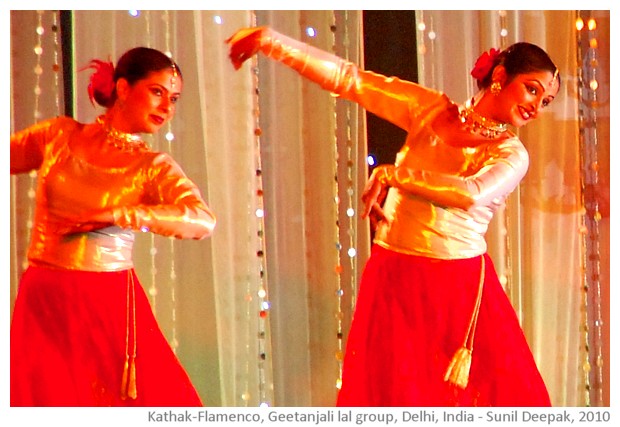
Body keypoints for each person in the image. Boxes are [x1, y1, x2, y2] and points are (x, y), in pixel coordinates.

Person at [226, 27, 560, 406]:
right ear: (499, 76)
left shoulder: (511, 153)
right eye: (532, 89)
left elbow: (470, 194)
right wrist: (271, 41)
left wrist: (393, 173)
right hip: (393, 275)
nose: (536, 106)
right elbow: (349, 79)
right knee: (394, 396)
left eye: (545, 101)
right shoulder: (430, 108)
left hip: (456, 288)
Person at [10, 47, 216, 406]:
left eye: (174, 98)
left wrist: (123, 214)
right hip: (43, 298)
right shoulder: (58, 135)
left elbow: (202, 220)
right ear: (122, 88)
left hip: (107, 301)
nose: (167, 107)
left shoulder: (153, 166)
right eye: (157, 92)